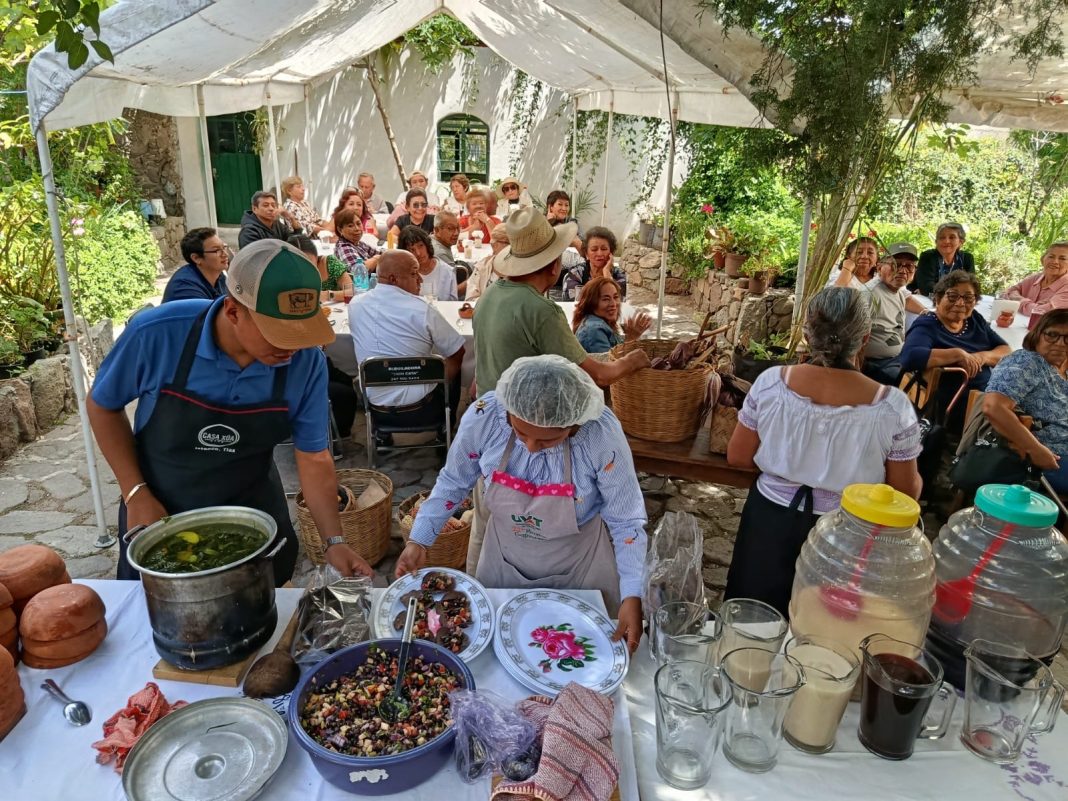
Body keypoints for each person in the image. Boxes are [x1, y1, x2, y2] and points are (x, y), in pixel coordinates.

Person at [87, 239, 374, 585]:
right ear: (234, 311)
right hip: (158, 503)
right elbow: (102, 406)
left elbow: (313, 457)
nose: (291, 348)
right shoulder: (158, 334)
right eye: (278, 334)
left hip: (252, 509)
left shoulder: (305, 361)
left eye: (301, 332)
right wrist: (135, 492)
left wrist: (334, 541)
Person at [395, 355, 647, 652]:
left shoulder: (599, 435)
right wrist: (420, 539)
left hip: (581, 567)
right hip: (504, 562)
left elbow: (625, 519)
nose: (530, 447)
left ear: (574, 424)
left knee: (573, 649)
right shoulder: (485, 417)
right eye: (520, 432)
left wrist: (632, 593)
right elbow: (453, 481)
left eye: (547, 441)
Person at [724, 287, 923, 616]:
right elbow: (905, 491)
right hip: (849, 532)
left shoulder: (771, 383)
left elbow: (739, 456)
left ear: (807, 335)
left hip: (769, 521)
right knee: (826, 628)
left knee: (754, 618)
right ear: (864, 339)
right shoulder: (891, 405)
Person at [472, 207, 650, 394]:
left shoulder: (490, 293)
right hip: (518, 418)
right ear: (553, 267)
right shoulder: (543, 311)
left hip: (486, 409)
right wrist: (631, 360)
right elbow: (599, 376)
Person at [349, 251, 465, 444]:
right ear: (393, 279)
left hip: (375, 409)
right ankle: (444, 431)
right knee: (451, 363)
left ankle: (382, 434)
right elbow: (457, 352)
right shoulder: (422, 309)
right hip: (423, 409)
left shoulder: (355, 305)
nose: (420, 279)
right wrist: (441, 379)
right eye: (414, 274)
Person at [900, 270, 1010, 426]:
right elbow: (910, 356)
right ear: (938, 298)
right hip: (955, 406)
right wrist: (957, 354)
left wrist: (981, 357)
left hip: (989, 395)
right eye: (952, 296)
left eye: (968, 298)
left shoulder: (974, 320)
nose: (960, 303)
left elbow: (1005, 351)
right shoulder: (928, 324)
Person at [983, 309, 1068, 493]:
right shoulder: (1027, 361)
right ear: (1037, 335)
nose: (1061, 344)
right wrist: (1034, 449)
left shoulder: (1062, 370)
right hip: (1049, 458)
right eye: (1052, 335)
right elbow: (993, 407)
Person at [288, 235, 359, 438]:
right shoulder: (284, 288)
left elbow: (350, 290)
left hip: (310, 354)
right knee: (342, 392)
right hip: (294, 364)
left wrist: (325, 295)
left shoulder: (329, 263)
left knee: (344, 377)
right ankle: (327, 435)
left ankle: (337, 429)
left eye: (309, 264)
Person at [862, 243, 927, 384]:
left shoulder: (897, 289)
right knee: (916, 386)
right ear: (879, 268)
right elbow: (854, 338)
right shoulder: (870, 294)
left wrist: (926, 313)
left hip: (897, 358)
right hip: (875, 365)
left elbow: (908, 299)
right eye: (896, 264)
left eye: (909, 266)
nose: (903, 270)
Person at [572, 277, 651, 353]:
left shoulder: (602, 322)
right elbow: (610, 364)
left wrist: (630, 335)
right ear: (591, 303)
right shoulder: (594, 330)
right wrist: (631, 338)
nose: (613, 304)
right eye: (606, 299)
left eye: (615, 297)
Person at [999, 241, 1068, 318]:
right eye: (1051, 256)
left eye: (1062, 258)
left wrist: (1017, 299)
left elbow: (1045, 313)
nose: (1055, 261)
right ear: (1043, 259)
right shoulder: (1036, 278)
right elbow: (1005, 294)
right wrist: (1035, 306)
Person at [163, 228, 229, 303]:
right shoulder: (185, 288)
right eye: (216, 250)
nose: (225, 254)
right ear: (196, 258)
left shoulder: (218, 276)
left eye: (224, 248)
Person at [562, 226, 628, 300]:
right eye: (594, 249)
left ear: (611, 252)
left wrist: (607, 275)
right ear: (586, 254)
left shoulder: (619, 275)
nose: (599, 253)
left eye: (604, 249)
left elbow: (617, 301)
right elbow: (576, 300)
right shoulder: (576, 273)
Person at [912, 222, 975, 295]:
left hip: (957, 300)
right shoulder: (928, 257)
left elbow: (971, 285)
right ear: (936, 242)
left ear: (961, 242)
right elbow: (927, 287)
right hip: (925, 300)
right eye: (942, 237)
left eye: (952, 237)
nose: (946, 241)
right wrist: (958, 292)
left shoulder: (967, 259)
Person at [399, 224, 457, 301]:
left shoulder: (447, 271)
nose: (418, 253)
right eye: (412, 250)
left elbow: (453, 304)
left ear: (427, 245)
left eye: (421, 246)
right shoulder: (402, 274)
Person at [287, 233, 352, 301]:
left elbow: (351, 292)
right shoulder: (286, 272)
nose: (304, 268)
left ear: (316, 256)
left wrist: (328, 295)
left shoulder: (329, 263)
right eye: (298, 264)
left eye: (309, 262)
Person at [466, 223, 508, 301]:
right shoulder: (483, 266)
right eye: (508, 243)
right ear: (494, 245)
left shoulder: (521, 270)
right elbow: (470, 298)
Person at [334, 208, 382, 274]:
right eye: (350, 226)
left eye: (358, 224)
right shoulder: (344, 248)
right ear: (340, 230)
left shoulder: (359, 243)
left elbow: (379, 253)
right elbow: (359, 272)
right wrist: (376, 259)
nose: (357, 229)